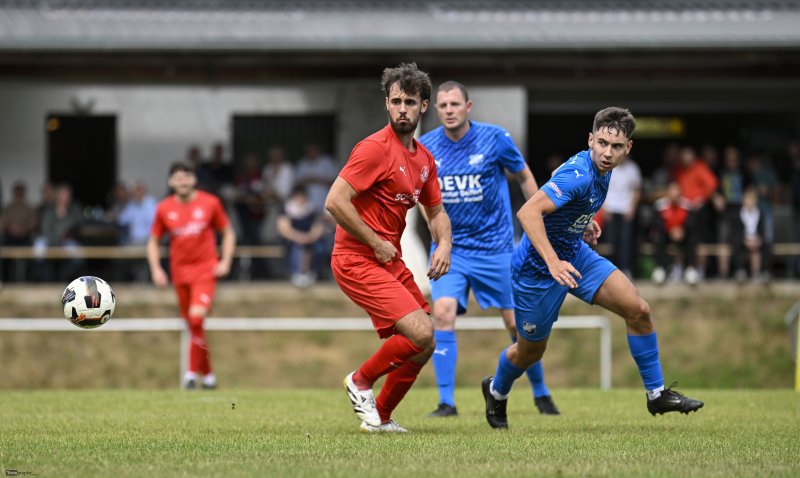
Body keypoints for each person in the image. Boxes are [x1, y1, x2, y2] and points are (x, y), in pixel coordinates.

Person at [482, 107, 703, 430]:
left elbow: (565, 209)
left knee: (638, 309)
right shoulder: (580, 173)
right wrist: (553, 261)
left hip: (576, 255)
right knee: (530, 353)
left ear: (628, 148)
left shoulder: (605, 169)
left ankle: (656, 394)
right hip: (536, 272)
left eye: (616, 147)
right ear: (590, 140)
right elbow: (528, 213)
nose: (607, 152)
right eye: (601, 143)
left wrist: (580, 225)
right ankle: (496, 391)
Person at [418, 80, 557, 418]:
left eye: (455, 104)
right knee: (442, 314)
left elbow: (524, 176)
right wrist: (437, 235)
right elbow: (423, 196)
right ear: (435, 110)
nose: (449, 110)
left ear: (468, 106)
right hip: (451, 250)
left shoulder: (495, 137)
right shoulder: (425, 146)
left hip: (496, 249)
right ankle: (446, 403)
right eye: (442, 106)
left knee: (519, 326)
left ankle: (541, 394)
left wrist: (541, 215)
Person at [325, 63, 452, 433]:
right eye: (395, 101)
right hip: (356, 259)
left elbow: (436, 211)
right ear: (386, 103)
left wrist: (443, 242)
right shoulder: (374, 149)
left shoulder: (424, 159)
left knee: (425, 342)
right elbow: (335, 201)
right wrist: (376, 242)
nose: (401, 109)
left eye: (409, 102)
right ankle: (360, 381)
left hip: (386, 259)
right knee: (422, 333)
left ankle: (379, 417)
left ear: (423, 106)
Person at [147, 162, 236, 390]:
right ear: (171, 182)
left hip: (205, 271)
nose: (183, 181)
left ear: (194, 179)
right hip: (179, 274)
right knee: (193, 326)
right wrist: (156, 269)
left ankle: (189, 374)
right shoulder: (164, 208)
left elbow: (228, 233)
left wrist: (225, 261)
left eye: (187, 176)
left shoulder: (210, 203)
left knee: (196, 320)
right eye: (178, 177)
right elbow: (154, 241)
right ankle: (208, 377)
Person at [672, 146, 718, 284]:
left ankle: (699, 270)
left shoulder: (700, 167)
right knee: (679, 239)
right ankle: (679, 269)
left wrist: (702, 197)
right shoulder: (679, 170)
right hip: (681, 210)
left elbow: (712, 184)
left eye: (688, 155)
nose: (686, 159)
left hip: (697, 212)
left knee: (697, 240)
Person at [277, 186, 327, 287]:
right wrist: (299, 238)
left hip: (310, 239)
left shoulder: (311, 210)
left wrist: (311, 236)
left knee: (320, 248)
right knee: (298, 247)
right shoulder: (286, 209)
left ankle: (312, 273)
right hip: (292, 240)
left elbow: (318, 226)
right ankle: (297, 274)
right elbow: (284, 229)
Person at [602, 153, 641, 278]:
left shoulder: (633, 168)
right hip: (610, 209)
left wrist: (633, 209)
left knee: (626, 241)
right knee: (611, 242)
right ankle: (612, 270)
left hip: (626, 210)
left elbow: (636, 190)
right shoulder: (609, 167)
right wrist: (604, 209)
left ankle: (625, 269)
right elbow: (602, 187)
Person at [652, 182, 695, 284]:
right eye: (672, 191)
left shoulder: (687, 206)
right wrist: (670, 230)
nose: (674, 194)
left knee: (693, 238)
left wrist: (682, 231)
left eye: (677, 191)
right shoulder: (660, 206)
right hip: (667, 234)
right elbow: (657, 224)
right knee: (657, 237)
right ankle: (660, 269)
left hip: (682, 234)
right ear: (668, 193)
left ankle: (690, 269)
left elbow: (692, 224)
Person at [732, 188, 769, 282]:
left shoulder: (760, 214)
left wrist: (758, 239)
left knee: (766, 245)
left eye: (751, 200)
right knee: (736, 244)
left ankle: (763, 272)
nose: (749, 202)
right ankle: (740, 271)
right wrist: (745, 240)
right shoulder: (737, 214)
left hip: (756, 239)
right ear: (743, 201)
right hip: (743, 240)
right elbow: (736, 231)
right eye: (747, 200)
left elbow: (763, 230)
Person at [296, 144, 338, 212]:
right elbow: (297, 184)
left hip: (325, 202)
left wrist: (317, 179)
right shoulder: (302, 163)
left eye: (313, 150)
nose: (311, 152)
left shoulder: (327, 162)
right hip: (306, 205)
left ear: (318, 150)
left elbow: (336, 183)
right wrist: (306, 180)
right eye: (309, 151)